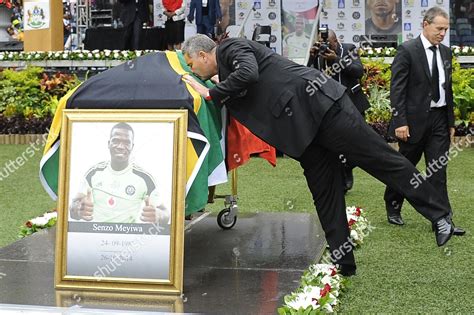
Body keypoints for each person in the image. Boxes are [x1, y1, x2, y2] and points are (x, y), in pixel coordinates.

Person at [180, 34, 458, 276]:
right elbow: (247, 85)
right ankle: (343, 261)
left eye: (192, 65)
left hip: (323, 109)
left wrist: (210, 93)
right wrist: (219, 84)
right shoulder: (228, 70)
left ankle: (439, 216)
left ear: (204, 54)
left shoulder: (230, 47)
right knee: (325, 194)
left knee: (382, 160)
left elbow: (249, 74)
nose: (194, 72)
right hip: (303, 134)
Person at [383, 7, 466, 237]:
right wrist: (400, 121)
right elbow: (397, 89)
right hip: (412, 122)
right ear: (425, 24)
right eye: (439, 28)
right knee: (405, 168)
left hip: (439, 119)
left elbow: (446, 89)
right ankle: (393, 203)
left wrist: (450, 122)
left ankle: (443, 220)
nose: (443, 33)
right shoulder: (407, 50)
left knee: (438, 169)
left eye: (446, 30)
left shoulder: (446, 53)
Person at [307, 29, 370, 192]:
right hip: (330, 106)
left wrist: (337, 59)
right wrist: (312, 57)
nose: (327, 47)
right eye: (323, 44)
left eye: (330, 43)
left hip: (353, 103)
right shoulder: (319, 54)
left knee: (360, 144)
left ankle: (348, 166)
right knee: (333, 145)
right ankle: (340, 176)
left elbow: (358, 71)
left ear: (336, 41)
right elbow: (308, 75)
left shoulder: (348, 49)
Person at [70, 123, 170, 225]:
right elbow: (73, 207)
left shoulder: (145, 178)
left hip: (128, 238)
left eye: (127, 142)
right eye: (116, 141)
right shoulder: (93, 173)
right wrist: (78, 209)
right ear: (109, 143)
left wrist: (158, 215)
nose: (121, 146)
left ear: (132, 146)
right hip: (96, 236)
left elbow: (165, 213)